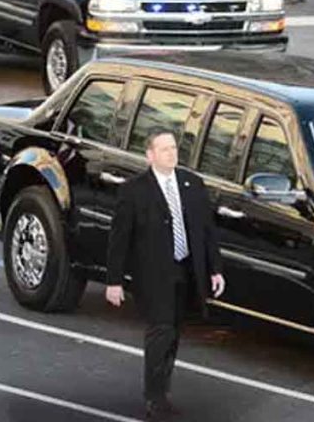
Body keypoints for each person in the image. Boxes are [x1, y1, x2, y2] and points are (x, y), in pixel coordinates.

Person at [105, 130, 224, 421]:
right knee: (160, 332)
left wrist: (215, 269)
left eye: (173, 148)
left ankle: (162, 391)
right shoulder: (134, 191)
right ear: (150, 155)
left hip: (186, 269)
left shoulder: (192, 184)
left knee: (174, 332)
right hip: (154, 274)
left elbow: (206, 231)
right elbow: (119, 239)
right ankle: (155, 398)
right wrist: (114, 280)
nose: (172, 154)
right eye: (164, 149)